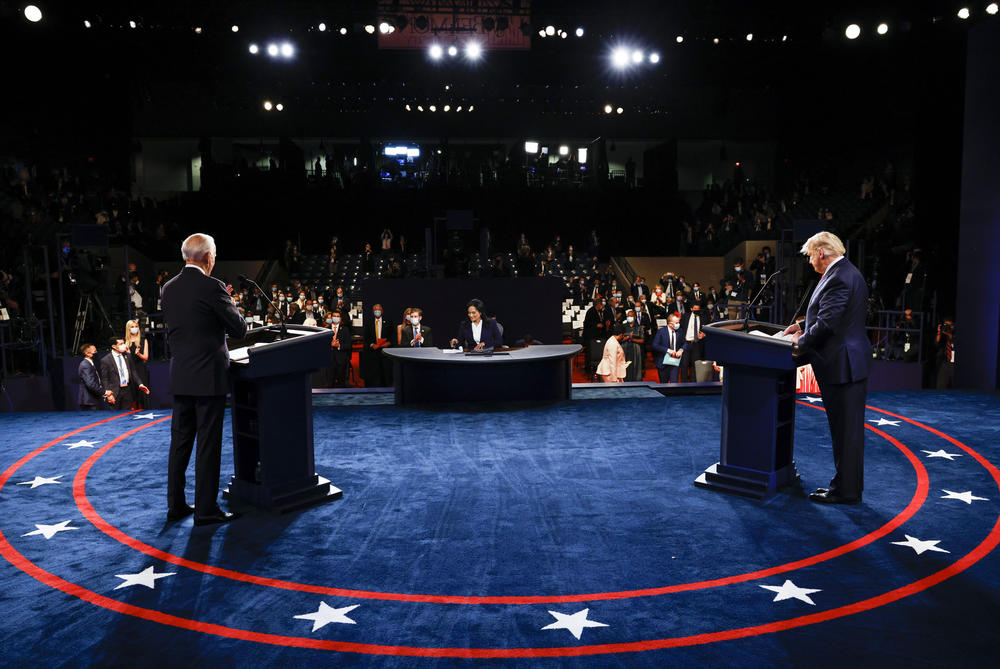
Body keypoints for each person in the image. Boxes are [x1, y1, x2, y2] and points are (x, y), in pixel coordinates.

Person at [161, 233, 247, 525]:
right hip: (208, 379)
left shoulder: (168, 288)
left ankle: (176, 505)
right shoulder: (213, 287)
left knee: (180, 443)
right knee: (207, 445)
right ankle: (206, 510)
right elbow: (239, 329)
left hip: (182, 377)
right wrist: (229, 302)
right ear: (208, 257)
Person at [783, 231, 870, 505]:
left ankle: (846, 491)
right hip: (844, 364)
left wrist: (798, 345)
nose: (810, 261)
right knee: (846, 432)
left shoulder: (840, 276)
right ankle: (844, 487)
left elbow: (828, 323)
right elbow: (830, 317)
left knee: (846, 434)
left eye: (810, 255)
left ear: (821, 252)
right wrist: (801, 326)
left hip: (842, 366)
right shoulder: (844, 272)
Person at [99, 336, 151, 411]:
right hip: (114, 392)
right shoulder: (106, 360)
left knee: (127, 417)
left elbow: (133, 372)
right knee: (114, 418)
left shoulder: (127, 356)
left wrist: (140, 384)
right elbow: (105, 379)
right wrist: (108, 394)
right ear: (114, 346)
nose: (124, 346)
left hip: (127, 390)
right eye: (121, 344)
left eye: (123, 343)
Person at [361, 303, 393, 386]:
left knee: (386, 376)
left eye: (378, 310)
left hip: (385, 353)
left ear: (382, 311)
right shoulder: (369, 322)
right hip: (372, 353)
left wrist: (387, 343)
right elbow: (366, 337)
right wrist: (372, 345)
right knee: (374, 376)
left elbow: (392, 336)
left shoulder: (388, 322)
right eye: (375, 310)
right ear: (373, 311)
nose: (377, 311)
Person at [651, 314, 685, 383]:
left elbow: (685, 343)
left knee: (674, 383)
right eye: (677, 323)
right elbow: (654, 345)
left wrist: (681, 350)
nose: (678, 324)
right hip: (663, 362)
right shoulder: (661, 331)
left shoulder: (680, 331)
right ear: (670, 324)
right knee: (664, 384)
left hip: (675, 362)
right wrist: (668, 350)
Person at [124, 319, 150, 409]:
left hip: (140, 369)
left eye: (136, 327)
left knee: (142, 395)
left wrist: (139, 354)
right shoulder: (125, 342)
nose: (134, 329)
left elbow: (146, 357)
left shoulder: (143, 340)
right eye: (132, 327)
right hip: (129, 370)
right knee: (131, 395)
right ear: (128, 328)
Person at [678, 303, 706, 382]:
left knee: (695, 365)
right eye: (695, 308)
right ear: (691, 309)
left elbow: (707, 330)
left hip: (697, 344)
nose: (696, 310)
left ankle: (694, 383)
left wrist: (704, 335)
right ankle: (683, 383)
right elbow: (680, 328)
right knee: (684, 364)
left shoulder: (703, 318)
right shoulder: (685, 316)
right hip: (686, 343)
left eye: (698, 309)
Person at [77, 342, 107, 410]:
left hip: (93, 400)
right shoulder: (85, 365)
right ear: (87, 354)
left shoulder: (91, 363)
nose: (96, 353)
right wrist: (104, 392)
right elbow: (91, 384)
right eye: (95, 351)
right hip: (89, 402)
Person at [326, 308, 352, 388]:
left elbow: (348, 345)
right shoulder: (326, 329)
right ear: (331, 317)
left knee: (341, 383)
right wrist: (329, 345)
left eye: (338, 316)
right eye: (334, 316)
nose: (336, 318)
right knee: (330, 383)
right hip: (329, 360)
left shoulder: (345, 330)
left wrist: (339, 345)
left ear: (340, 318)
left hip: (341, 360)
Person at [621, 308, 645, 381]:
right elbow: (619, 338)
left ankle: (635, 380)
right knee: (625, 364)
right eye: (628, 316)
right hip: (624, 347)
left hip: (635, 348)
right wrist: (627, 337)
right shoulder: (623, 326)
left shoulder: (639, 327)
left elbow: (642, 340)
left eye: (631, 316)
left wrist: (633, 339)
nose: (629, 317)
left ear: (634, 317)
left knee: (635, 365)